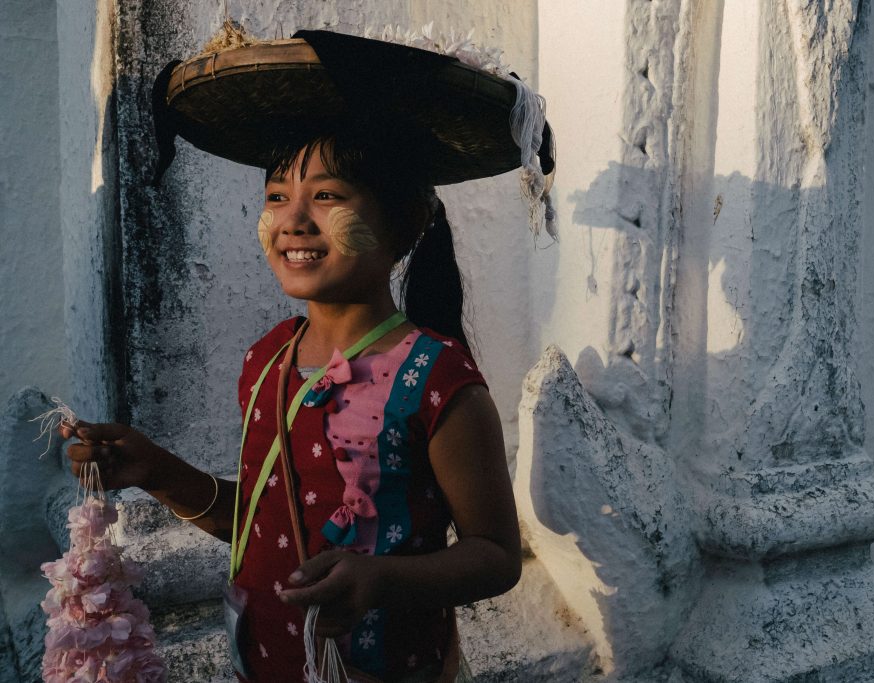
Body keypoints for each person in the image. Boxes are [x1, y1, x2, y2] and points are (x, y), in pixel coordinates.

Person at [60, 26, 554, 683]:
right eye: (275, 197)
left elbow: (495, 556)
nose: (293, 219)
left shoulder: (438, 382)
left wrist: (380, 578)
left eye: (326, 196)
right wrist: (154, 469)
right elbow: (263, 523)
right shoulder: (268, 361)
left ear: (405, 222)